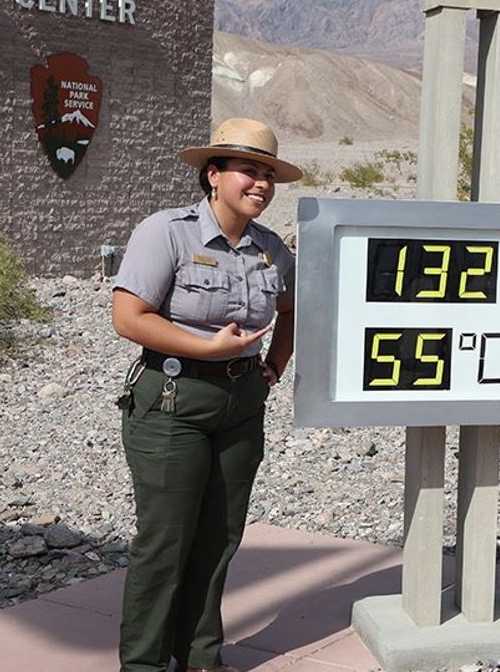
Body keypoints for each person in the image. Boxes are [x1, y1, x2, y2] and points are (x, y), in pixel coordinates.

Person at [111, 118, 301, 672]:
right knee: (165, 541)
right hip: (173, 401)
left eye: (269, 174)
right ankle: (143, 664)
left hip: (242, 405)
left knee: (219, 537)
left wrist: (275, 364)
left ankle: (199, 657)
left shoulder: (271, 249)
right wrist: (207, 348)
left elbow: (291, 308)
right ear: (213, 174)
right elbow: (128, 316)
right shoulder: (167, 232)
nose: (261, 183)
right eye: (249, 170)